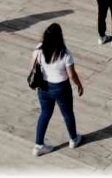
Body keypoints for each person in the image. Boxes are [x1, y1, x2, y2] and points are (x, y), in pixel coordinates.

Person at [29, 23, 84, 156]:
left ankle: (38, 146)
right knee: (67, 114)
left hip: (43, 87)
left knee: (45, 114)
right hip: (61, 88)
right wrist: (79, 85)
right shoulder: (65, 53)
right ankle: (73, 139)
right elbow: (71, 75)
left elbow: (32, 68)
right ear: (60, 37)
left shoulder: (38, 49)